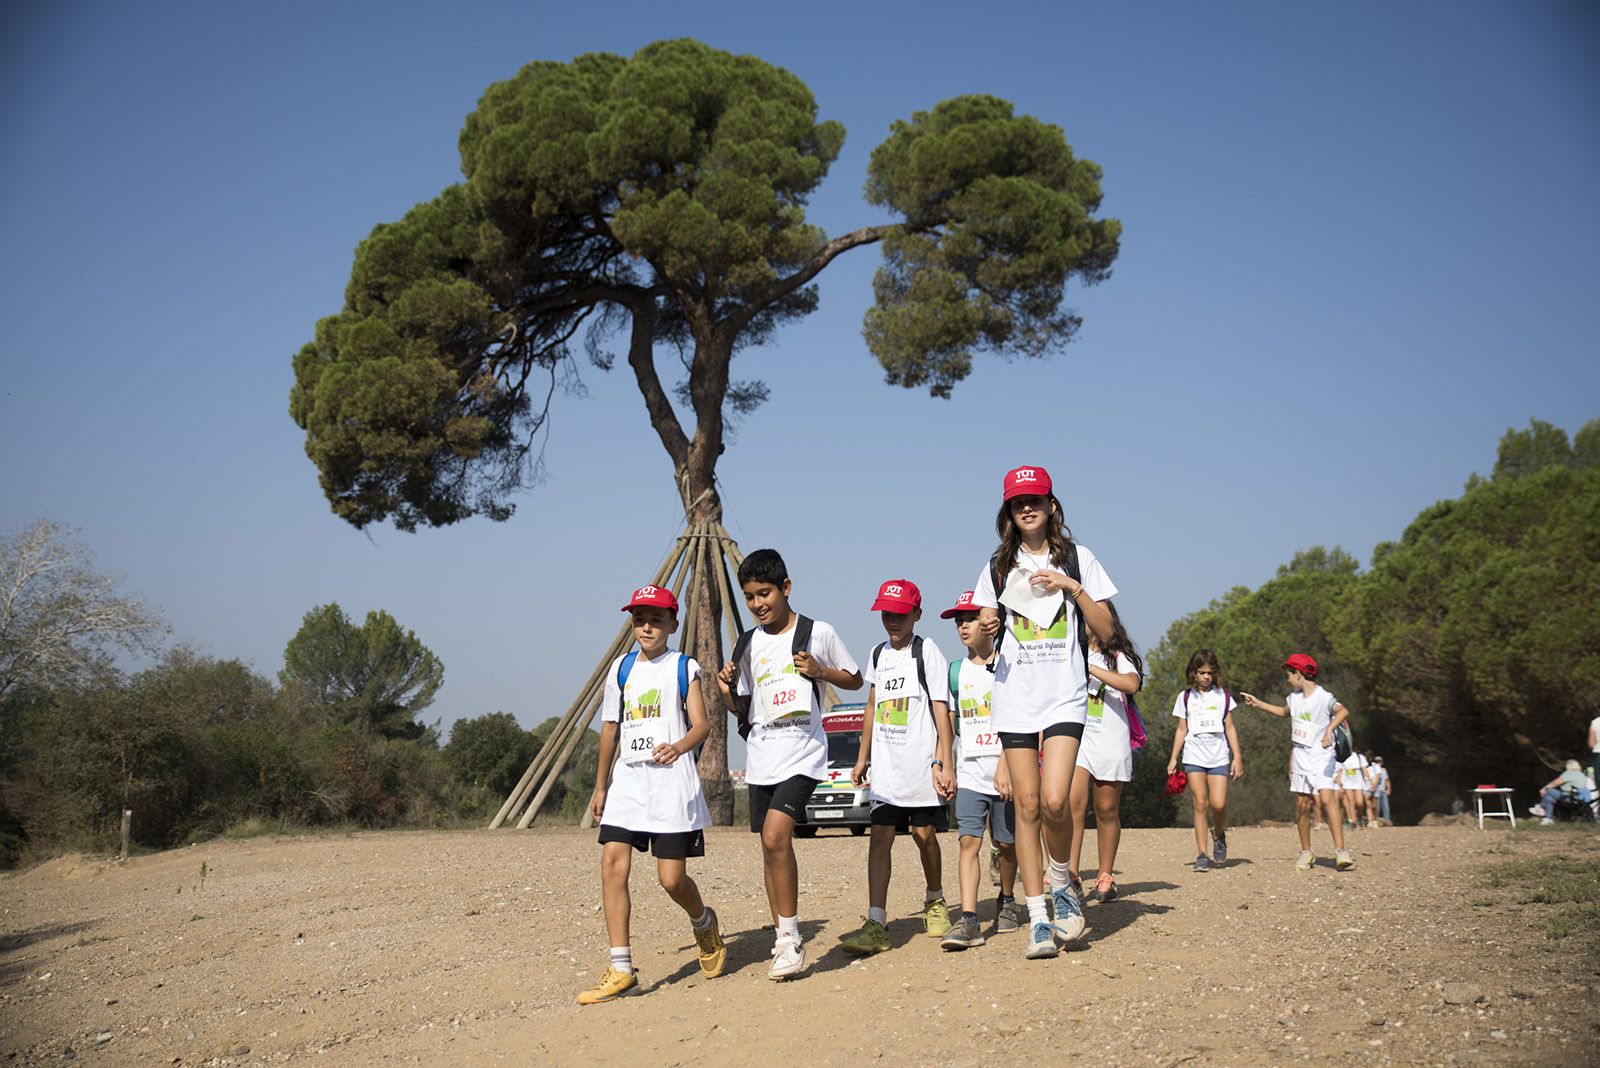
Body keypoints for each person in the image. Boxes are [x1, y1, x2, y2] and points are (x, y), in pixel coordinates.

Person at [972, 465, 1117, 960]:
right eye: (1017, 502)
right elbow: (985, 628)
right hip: (1015, 698)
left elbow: (1107, 628)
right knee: (1026, 808)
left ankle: (1061, 884)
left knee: (1057, 802)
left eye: (1035, 499)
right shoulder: (996, 565)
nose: (1027, 508)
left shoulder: (1080, 557)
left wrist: (1070, 585)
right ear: (1008, 512)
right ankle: (1037, 919)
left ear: (1052, 505)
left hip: (1065, 695)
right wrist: (988, 622)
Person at [716, 549, 863, 980]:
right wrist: (726, 688)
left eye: (765, 594)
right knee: (769, 845)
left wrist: (821, 671)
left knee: (778, 834)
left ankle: (790, 940)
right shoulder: (746, 643)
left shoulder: (819, 632)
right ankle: (783, 934)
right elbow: (740, 705)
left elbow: (854, 678)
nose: (759, 604)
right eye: (749, 597)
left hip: (803, 753)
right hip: (762, 755)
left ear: (786, 588)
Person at [579, 585, 724, 1004]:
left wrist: (678, 747)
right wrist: (601, 784)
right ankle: (622, 967)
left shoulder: (683, 666)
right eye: (640, 618)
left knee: (671, 879)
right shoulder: (620, 669)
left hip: (670, 785)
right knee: (611, 862)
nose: (647, 626)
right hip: (628, 783)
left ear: (672, 625)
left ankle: (703, 922)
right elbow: (611, 728)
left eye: (656, 619)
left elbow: (702, 725)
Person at [840, 580, 956, 954]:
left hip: (921, 768)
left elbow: (941, 708)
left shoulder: (928, 652)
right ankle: (876, 922)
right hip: (887, 772)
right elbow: (872, 706)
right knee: (880, 838)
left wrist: (945, 762)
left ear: (916, 615)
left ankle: (935, 900)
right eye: (887, 614)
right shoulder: (877, 654)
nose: (893, 621)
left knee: (924, 836)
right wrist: (862, 757)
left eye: (901, 614)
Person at [937, 591, 1021, 950]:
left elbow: (1019, 720)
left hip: (1006, 771)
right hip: (970, 772)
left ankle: (1007, 899)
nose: (962, 626)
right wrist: (944, 765)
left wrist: (1006, 765)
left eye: (969, 618)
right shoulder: (955, 672)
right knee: (968, 841)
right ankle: (969, 919)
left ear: (990, 622)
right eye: (958, 621)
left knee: (1005, 842)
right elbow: (949, 726)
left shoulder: (1010, 666)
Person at [1241, 654, 1355, 871]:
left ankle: (1341, 851)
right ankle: (1306, 852)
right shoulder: (1293, 698)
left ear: (1299, 674)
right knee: (1301, 804)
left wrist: (1330, 729)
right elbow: (1284, 713)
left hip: (1322, 755)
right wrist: (1258, 704)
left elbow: (1342, 711)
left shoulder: (1323, 696)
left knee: (1327, 797)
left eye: (1290, 674)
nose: (1288, 679)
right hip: (1301, 756)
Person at [1069, 602, 1144, 899]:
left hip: (1111, 740)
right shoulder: (1069, 652)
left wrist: (1093, 668)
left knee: (1106, 810)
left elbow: (1131, 684)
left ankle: (1105, 875)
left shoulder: (1118, 657)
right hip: (1078, 739)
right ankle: (1070, 874)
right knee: (1072, 804)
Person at [1166, 649, 1243, 873]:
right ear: (1193, 673)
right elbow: (1182, 729)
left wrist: (1237, 757)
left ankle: (1218, 834)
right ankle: (1202, 853)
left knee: (1218, 804)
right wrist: (1173, 758)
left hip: (1218, 753)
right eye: (1201, 672)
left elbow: (1230, 727)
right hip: (1194, 754)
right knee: (1200, 803)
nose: (1206, 677)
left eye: (1210, 672)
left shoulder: (1223, 696)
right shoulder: (1186, 697)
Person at [1533, 760, 1594, 824]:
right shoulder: (1582, 775)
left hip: (1568, 797)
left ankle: (1541, 808)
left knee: (1549, 791)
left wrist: (1544, 788)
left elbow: (1556, 782)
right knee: (1549, 797)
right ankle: (1547, 817)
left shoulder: (1569, 773)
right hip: (1579, 798)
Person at [1337, 748, 1372, 829]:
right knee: (1351, 801)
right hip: (1347, 781)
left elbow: (1364, 769)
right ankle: (1354, 821)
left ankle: (1359, 816)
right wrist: (1339, 780)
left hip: (1358, 781)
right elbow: (1340, 770)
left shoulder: (1360, 757)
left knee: (1359, 802)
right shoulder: (1342, 756)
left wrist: (1368, 779)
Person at [1365, 753, 1390, 826]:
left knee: (1375, 805)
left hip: (1377, 788)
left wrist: (1374, 786)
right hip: (1367, 787)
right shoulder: (1364, 767)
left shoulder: (1376, 767)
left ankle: (1375, 819)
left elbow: (1379, 777)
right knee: (1368, 804)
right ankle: (1370, 820)